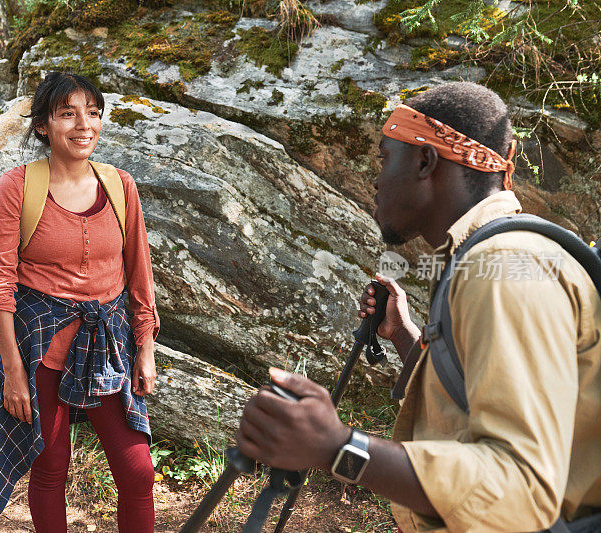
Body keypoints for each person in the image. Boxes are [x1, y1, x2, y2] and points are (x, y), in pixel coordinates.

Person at [235, 82, 601, 532]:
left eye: (386, 158)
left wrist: (337, 447)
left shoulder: (504, 267)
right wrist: (407, 337)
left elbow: (520, 490)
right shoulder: (477, 260)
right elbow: (473, 403)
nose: (376, 179)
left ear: (425, 160)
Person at [0, 72, 159, 533]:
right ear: (43, 125)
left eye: (93, 113)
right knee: (50, 469)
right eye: (68, 114)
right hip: (42, 350)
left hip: (110, 346)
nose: (84, 125)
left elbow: (140, 274)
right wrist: (14, 371)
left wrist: (145, 348)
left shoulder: (120, 186)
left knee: (138, 472)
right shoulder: (17, 187)